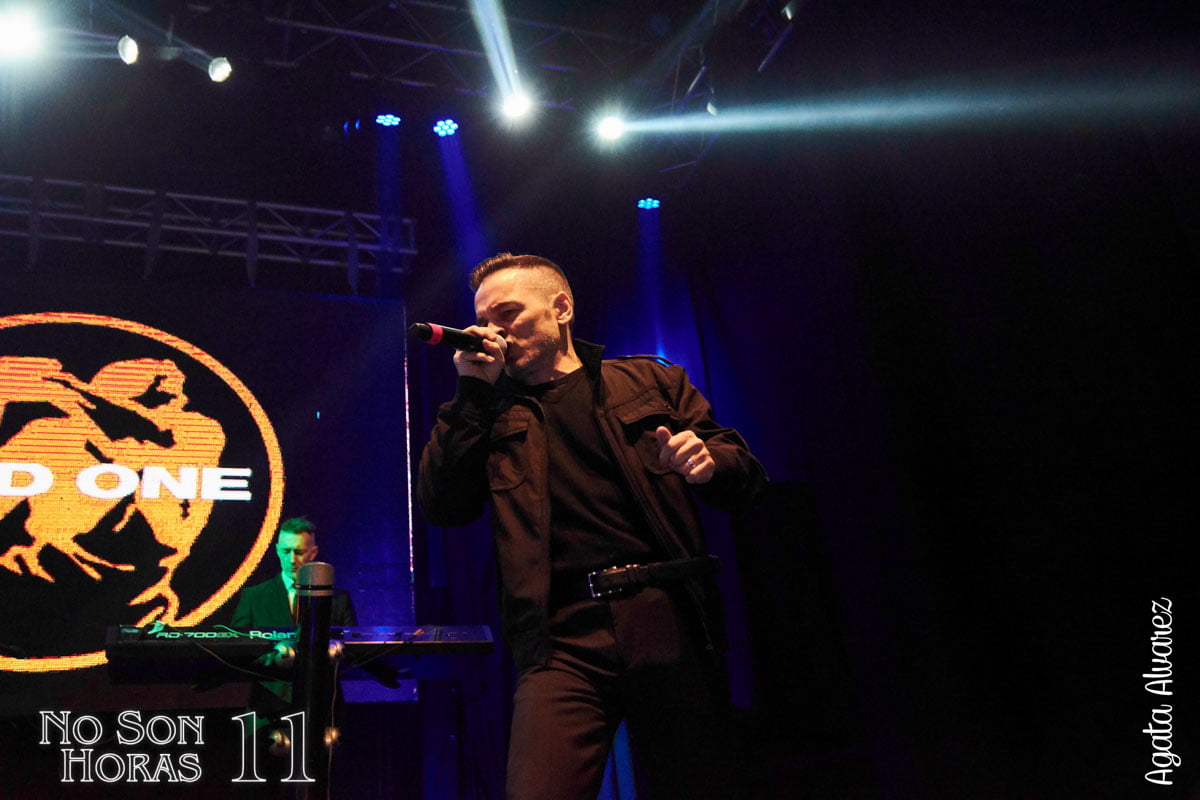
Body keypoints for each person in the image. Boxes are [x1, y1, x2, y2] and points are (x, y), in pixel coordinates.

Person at [417, 253, 767, 800]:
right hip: (560, 638)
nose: (493, 331)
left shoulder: (649, 381)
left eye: (508, 313)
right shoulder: (486, 413)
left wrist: (709, 462)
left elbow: (747, 480)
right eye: (483, 320)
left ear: (561, 308)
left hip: (665, 616)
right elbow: (443, 506)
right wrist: (472, 394)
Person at [231, 517, 357, 718]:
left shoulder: (338, 599)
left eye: (299, 552)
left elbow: (352, 652)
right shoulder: (254, 597)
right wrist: (276, 663)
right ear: (277, 550)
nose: (291, 559)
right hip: (269, 707)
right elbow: (239, 651)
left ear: (313, 552)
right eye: (286, 551)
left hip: (322, 707)